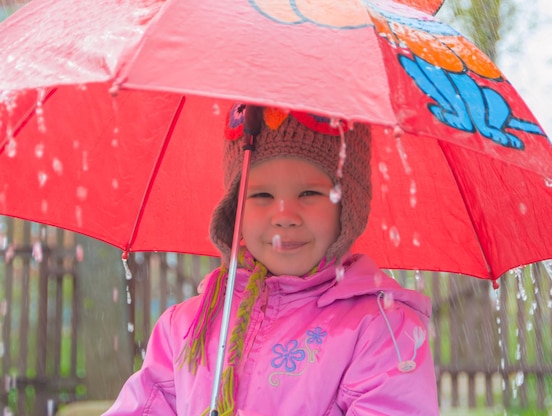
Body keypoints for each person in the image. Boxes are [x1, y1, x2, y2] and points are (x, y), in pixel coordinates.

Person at [104, 105, 439, 415]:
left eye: (309, 194)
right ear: (234, 210)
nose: (284, 216)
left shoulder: (381, 331)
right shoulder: (186, 329)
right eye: (262, 195)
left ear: (348, 207)